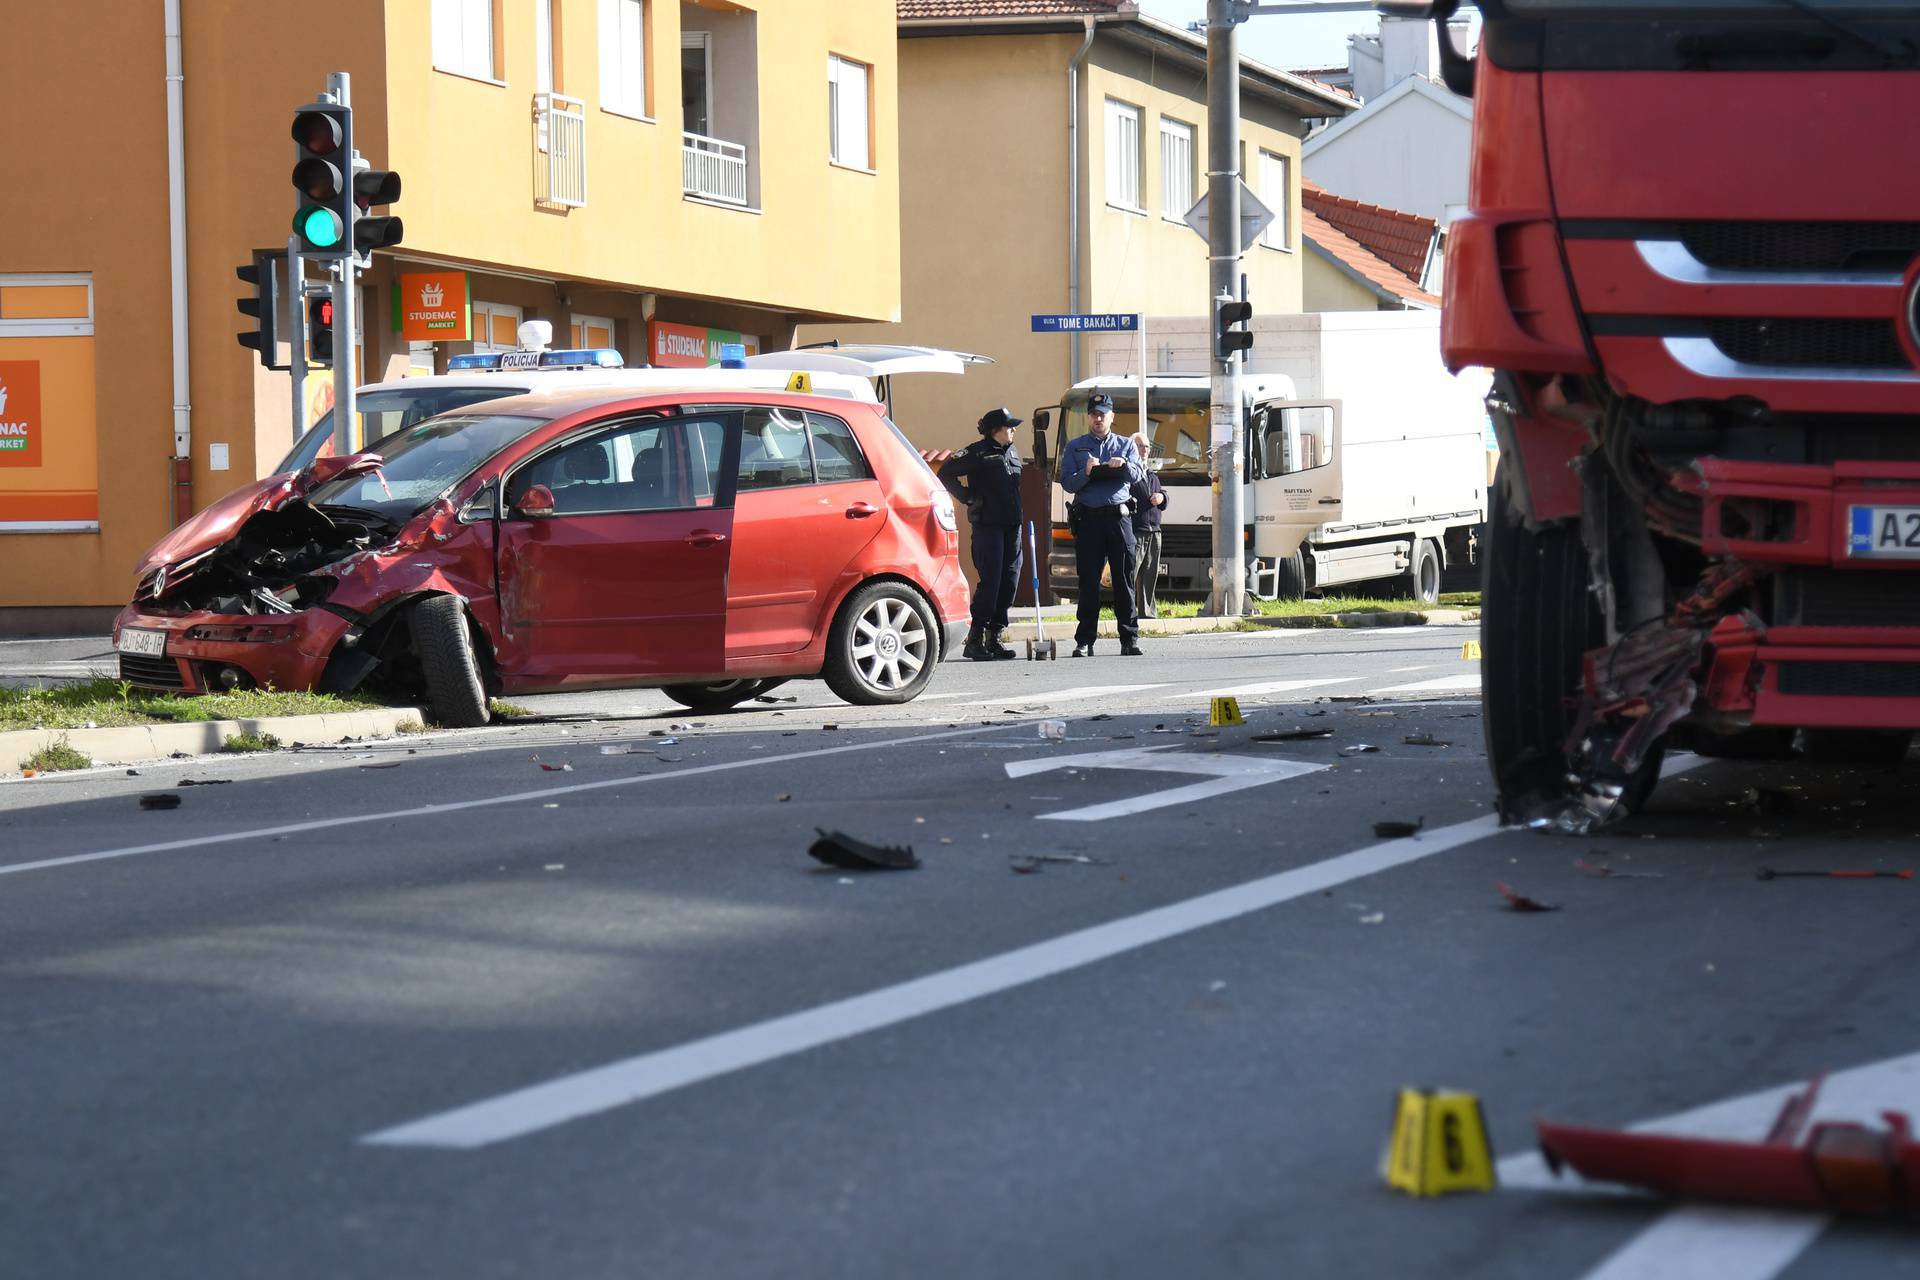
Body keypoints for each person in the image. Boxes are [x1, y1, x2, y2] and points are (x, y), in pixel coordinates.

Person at [1059, 393, 1145, 657]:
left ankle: (1129, 638)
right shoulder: (1075, 447)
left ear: (1112, 417)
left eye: (1103, 414)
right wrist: (1086, 472)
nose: (1098, 419)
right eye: (1094, 414)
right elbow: (1067, 483)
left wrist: (1125, 464)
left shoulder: (1125, 445)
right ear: (1088, 417)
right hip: (1089, 520)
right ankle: (1085, 640)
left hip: (1119, 519)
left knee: (1124, 580)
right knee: (1088, 583)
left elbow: (1138, 475)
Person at [938, 407, 1025, 660]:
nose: (1013, 430)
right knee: (992, 580)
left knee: (1010, 580)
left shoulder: (1013, 451)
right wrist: (967, 497)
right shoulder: (976, 452)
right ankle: (975, 638)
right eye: (1009, 427)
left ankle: (995, 636)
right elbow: (945, 473)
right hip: (988, 525)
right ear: (995, 430)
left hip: (1012, 525)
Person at [1128, 432, 1165, 619]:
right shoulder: (1128, 472)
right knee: (1132, 573)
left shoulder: (1151, 474)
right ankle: (1129, 612)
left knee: (1150, 574)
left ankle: (1147, 613)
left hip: (1154, 530)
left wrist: (1162, 497)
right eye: (1140, 446)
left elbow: (1162, 494)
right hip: (1137, 530)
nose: (1145, 450)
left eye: (1148, 447)